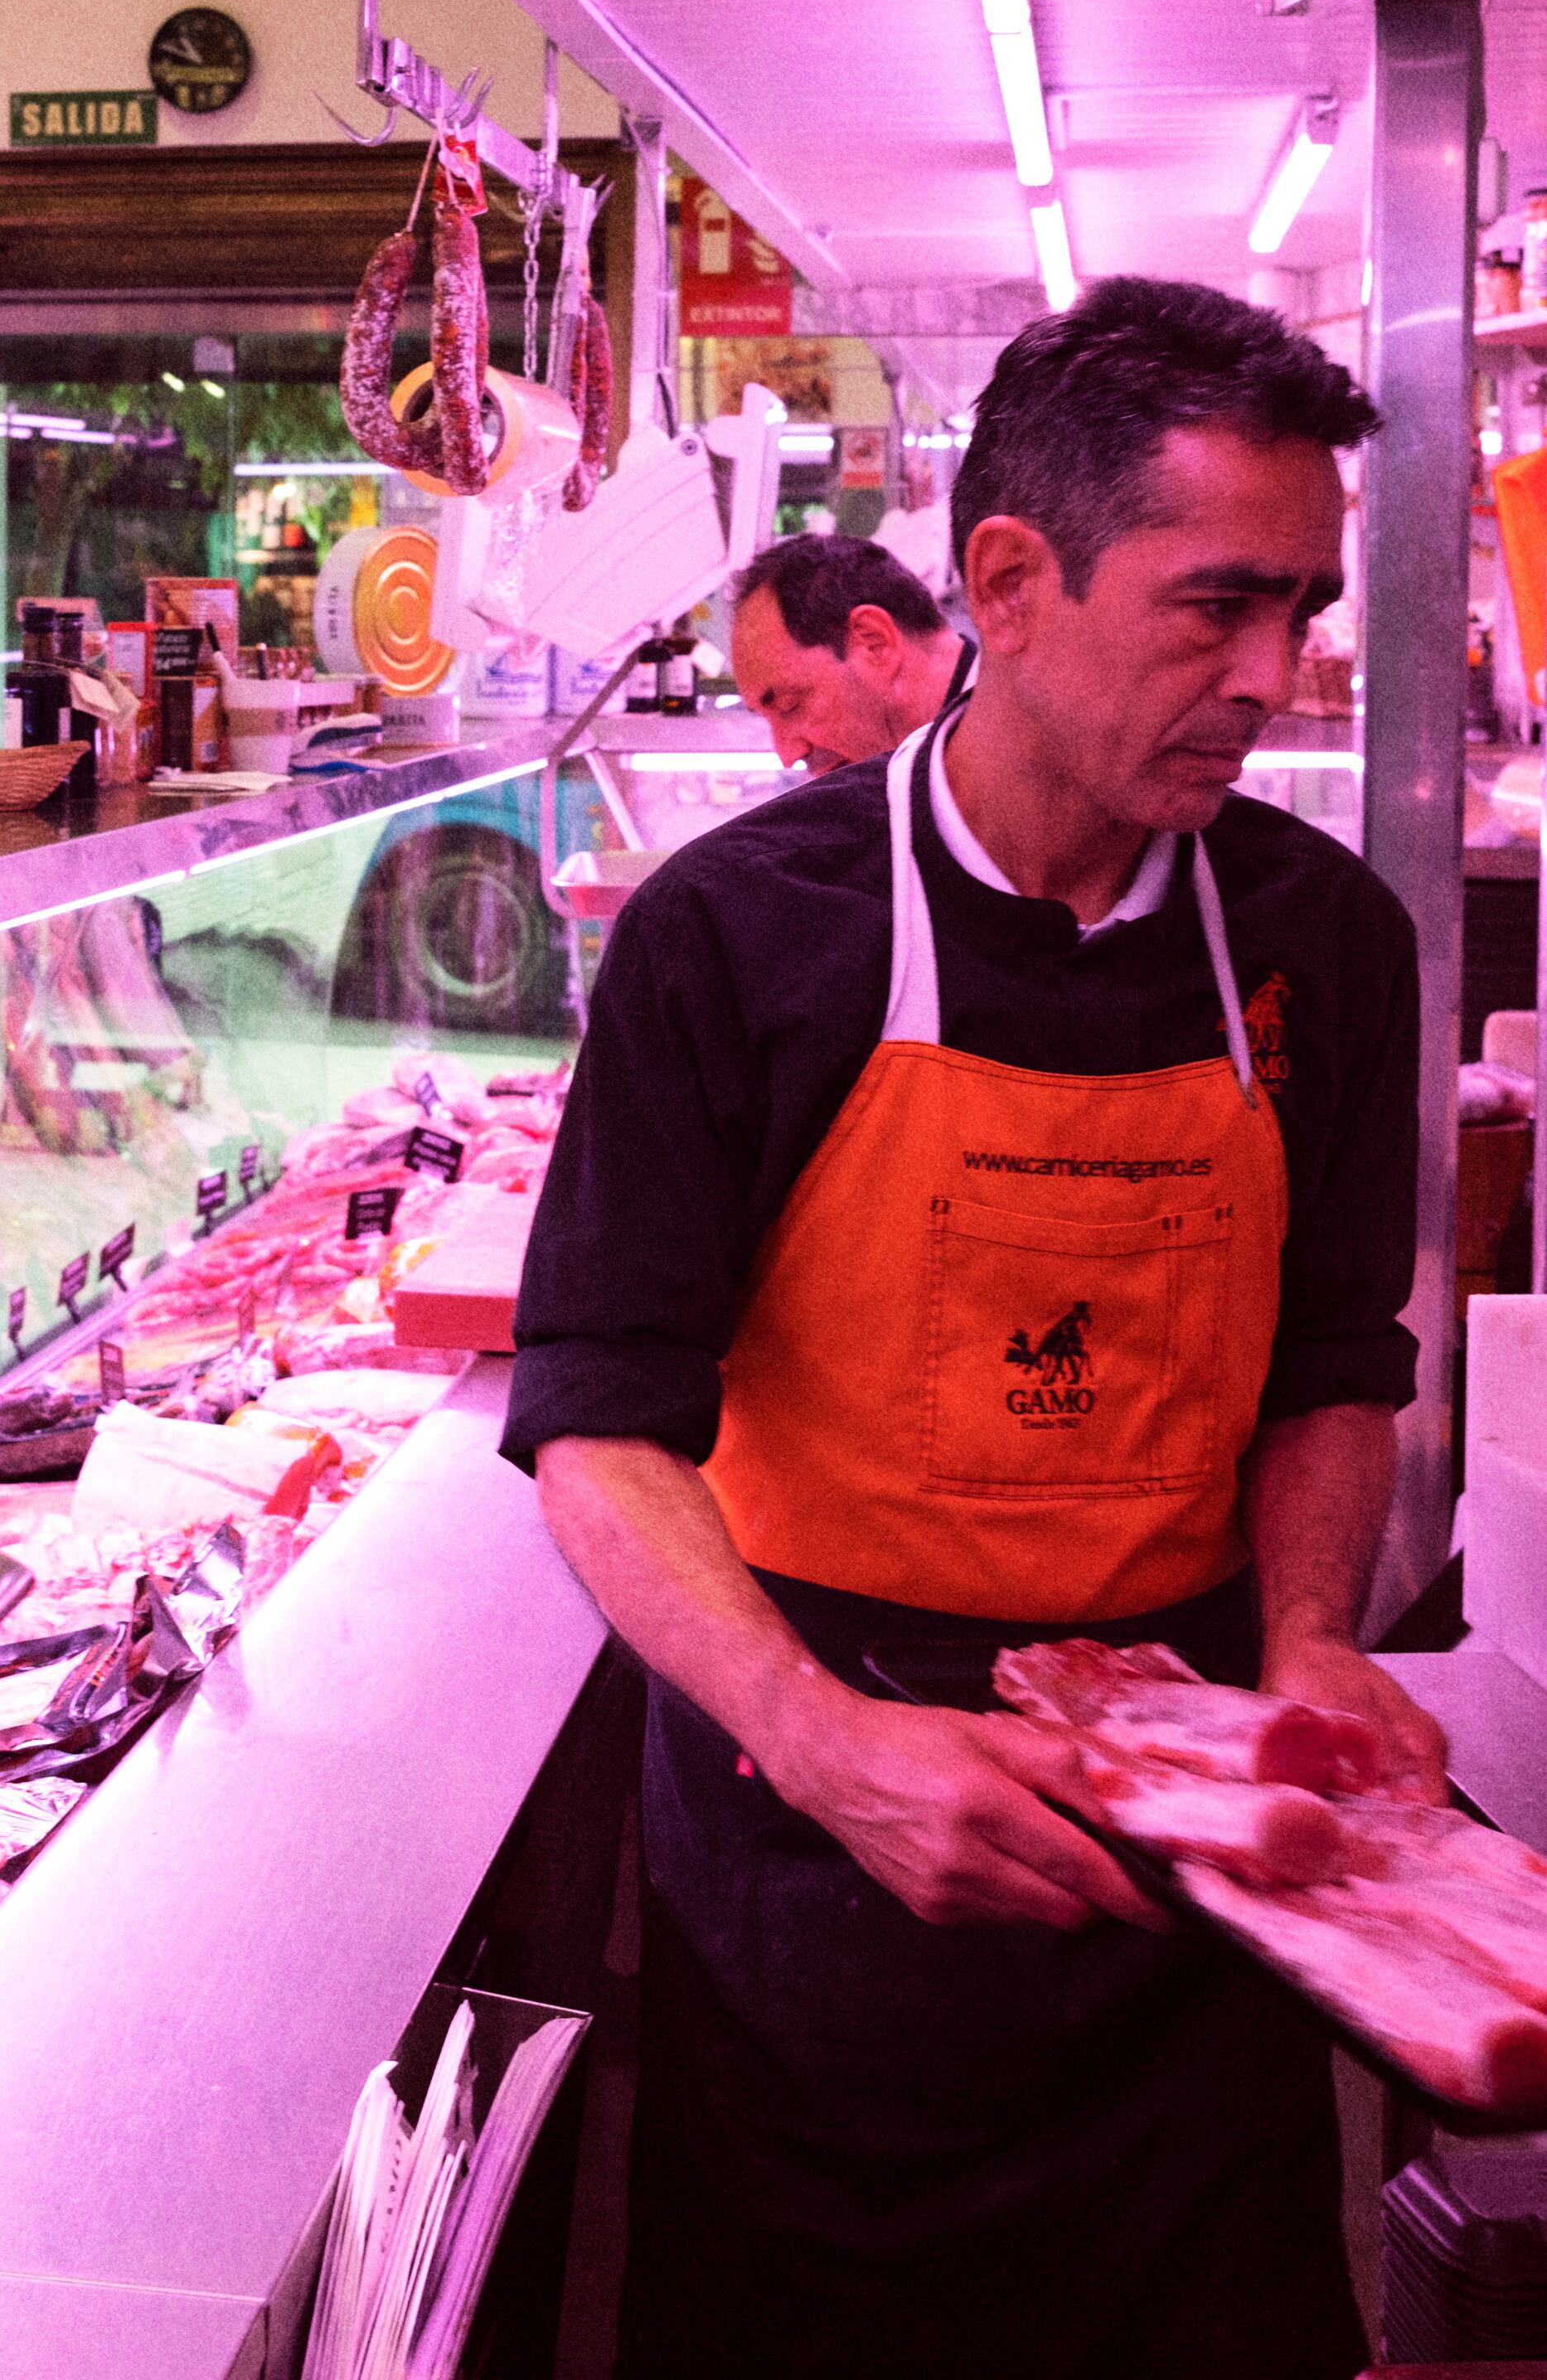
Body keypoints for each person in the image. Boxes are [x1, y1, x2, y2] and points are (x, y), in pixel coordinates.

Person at [505, 276, 1443, 2380]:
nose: (1274, 679)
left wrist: (1307, 1646)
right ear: (1007, 580)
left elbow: (1329, 1362)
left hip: (1189, 1864)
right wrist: (822, 1739)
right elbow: (598, 1423)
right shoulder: (740, 935)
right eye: (1216, 607)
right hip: (820, 1853)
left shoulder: (1324, 943)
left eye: (1301, 611)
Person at [730, 532, 972, 770]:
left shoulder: (1004, 759)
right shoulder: (922, 773)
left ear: (874, 643)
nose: (788, 755)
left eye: (789, 706)